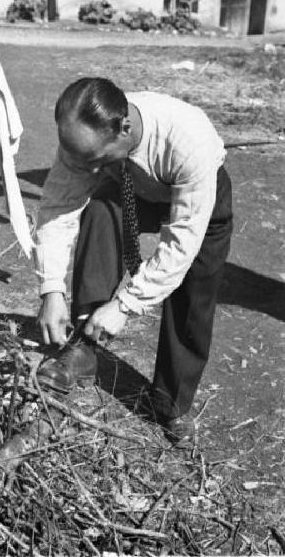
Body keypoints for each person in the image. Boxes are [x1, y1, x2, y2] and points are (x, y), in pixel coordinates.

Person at [33, 77, 233, 444]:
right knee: (100, 210)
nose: (86, 170)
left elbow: (179, 244)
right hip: (132, 185)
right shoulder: (83, 143)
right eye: (80, 161)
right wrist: (51, 290)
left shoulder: (190, 141)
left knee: (195, 288)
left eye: (95, 160)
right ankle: (84, 349)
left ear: (124, 128)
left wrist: (125, 305)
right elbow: (57, 208)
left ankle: (171, 401)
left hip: (199, 200)